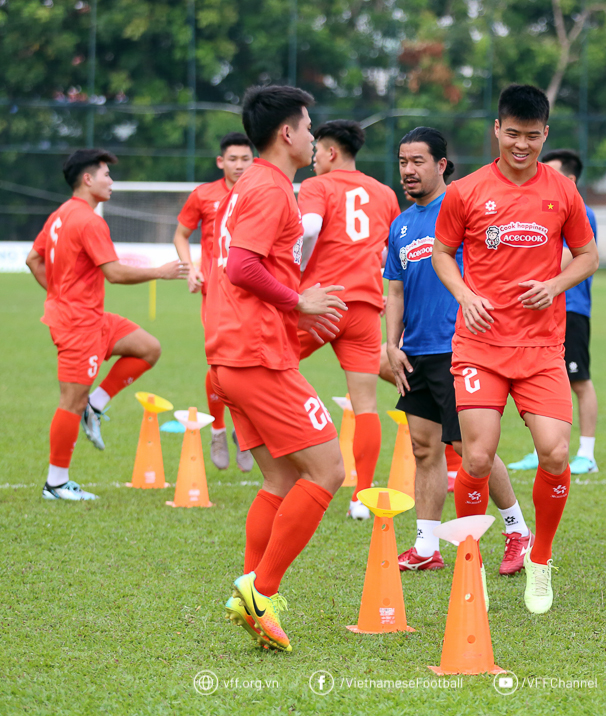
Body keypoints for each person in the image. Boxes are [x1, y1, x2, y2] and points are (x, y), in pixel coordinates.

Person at [432, 84, 599, 614]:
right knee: (476, 456)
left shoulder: (563, 193)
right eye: (512, 134)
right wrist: (465, 293)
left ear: (545, 134)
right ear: (496, 131)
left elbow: (589, 255)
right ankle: (470, 562)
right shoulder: (465, 191)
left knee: (553, 451)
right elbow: (441, 251)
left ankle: (540, 558)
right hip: (479, 345)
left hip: (543, 346)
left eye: (532, 136)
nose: (521, 145)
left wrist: (555, 286)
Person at [207, 86, 348, 653]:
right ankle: (261, 592)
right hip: (256, 354)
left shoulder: (250, 187)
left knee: (280, 479)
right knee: (329, 471)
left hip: (233, 355)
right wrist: (299, 302)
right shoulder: (269, 188)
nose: (314, 136)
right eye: (308, 126)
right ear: (287, 133)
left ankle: (250, 597)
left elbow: (244, 265)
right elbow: (242, 267)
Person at [384, 127, 532, 577]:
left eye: (418, 162)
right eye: (403, 162)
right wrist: (391, 344)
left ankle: (517, 531)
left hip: (462, 349)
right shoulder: (401, 224)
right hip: (416, 352)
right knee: (424, 448)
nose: (409, 171)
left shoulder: (465, 210)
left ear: (442, 165)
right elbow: (394, 290)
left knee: (473, 449)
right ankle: (427, 545)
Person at [26, 149, 188, 501]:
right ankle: (55, 484)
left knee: (148, 348)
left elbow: (32, 258)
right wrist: (160, 272)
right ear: (88, 179)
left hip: (93, 318)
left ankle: (95, 404)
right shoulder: (87, 219)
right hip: (76, 325)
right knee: (70, 400)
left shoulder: (60, 215)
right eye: (106, 175)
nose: (111, 182)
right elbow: (113, 273)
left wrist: (58, 294)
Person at [297, 120, 400, 521]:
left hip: (320, 302)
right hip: (364, 306)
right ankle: (362, 495)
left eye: (317, 151)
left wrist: (295, 276)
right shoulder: (384, 192)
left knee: (272, 368)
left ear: (332, 152)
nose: (313, 159)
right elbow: (394, 249)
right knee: (366, 404)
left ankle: (282, 458)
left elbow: (309, 228)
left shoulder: (317, 187)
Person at [509, 148, 600, 474]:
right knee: (538, 380)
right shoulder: (543, 209)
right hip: (541, 309)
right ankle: (540, 448)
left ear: (571, 179)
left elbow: (568, 258)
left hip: (570, 308)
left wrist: (522, 274)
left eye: (552, 172)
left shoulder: (581, 211)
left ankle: (586, 455)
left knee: (579, 380)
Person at [172, 132, 255, 472]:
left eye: (245, 159)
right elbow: (180, 234)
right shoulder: (203, 194)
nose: (238, 165)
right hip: (216, 293)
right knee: (220, 365)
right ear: (221, 161)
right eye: (232, 159)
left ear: (254, 161)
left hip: (252, 292)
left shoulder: (260, 194)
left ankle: (246, 432)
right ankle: (219, 429)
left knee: (250, 364)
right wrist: (191, 268)